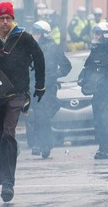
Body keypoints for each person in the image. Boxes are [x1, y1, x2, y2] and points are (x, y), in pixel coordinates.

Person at [0, 2, 45, 202]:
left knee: (7, 134)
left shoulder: (23, 38)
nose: (5, 22)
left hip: (16, 94)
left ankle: (7, 183)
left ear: (13, 19)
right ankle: (10, 151)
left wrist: (40, 86)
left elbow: (39, 59)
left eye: (8, 18)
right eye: (2, 18)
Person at [78, 22, 108, 159]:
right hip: (98, 95)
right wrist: (83, 80)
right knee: (98, 121)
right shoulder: (95, 51)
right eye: (95, 33)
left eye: (98, 33)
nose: (96, 36)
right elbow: (87, 68)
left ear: (105, 35)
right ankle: (103, 149)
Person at [28, 20, 71, 158]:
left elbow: (66, 66)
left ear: (44, 34)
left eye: (37, 33)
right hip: (32, 87)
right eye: (33, 32)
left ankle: (44, 144)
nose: (34, 35)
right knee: (35, 116)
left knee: (42, 115)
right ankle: (40, 143)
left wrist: (53, 76)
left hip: (48, 88)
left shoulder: (54, 48)